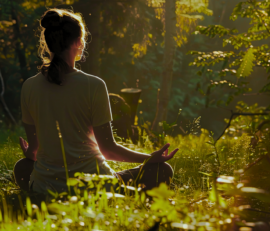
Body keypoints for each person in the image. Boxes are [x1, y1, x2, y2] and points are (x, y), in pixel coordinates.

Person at [14, 8, 178, 195]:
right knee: (163, 171)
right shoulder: (94, 85)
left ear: (49, 43)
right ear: (78, 42)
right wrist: (149, 158)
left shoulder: (29, 86)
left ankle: (48, 194)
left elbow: (34, 152)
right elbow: (108, 150)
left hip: (46, 188)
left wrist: (29, 153)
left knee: (22, 167)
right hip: (95, 187)